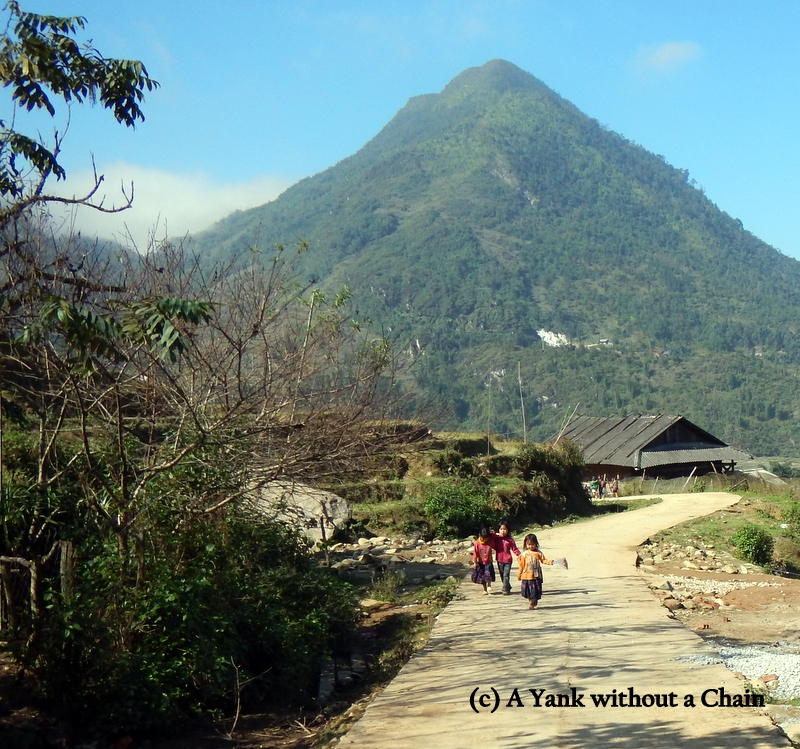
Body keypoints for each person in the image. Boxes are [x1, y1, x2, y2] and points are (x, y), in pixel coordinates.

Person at [517, 533, 554, 610]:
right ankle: (531, 600)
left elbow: (544, 561)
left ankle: (532, 603)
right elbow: (521, 565)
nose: (530, 546)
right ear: (526, 544)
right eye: (528, 544)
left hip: (536, 576)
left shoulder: (538, 553)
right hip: (526, 576)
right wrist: (519, 574)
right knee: (527, 592)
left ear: (536, 544)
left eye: (532, 544)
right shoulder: (524, 554)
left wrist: (551, 562)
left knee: (535, 591)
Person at [493, 521, 521, 595]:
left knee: (506, 575)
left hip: (508, 560)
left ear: (508, 530)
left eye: (505, 529)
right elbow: (490, 534)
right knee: (502, 575)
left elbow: (515, 549)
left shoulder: (510, 540)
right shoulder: (496, 539)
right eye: (501, 529)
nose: (503, 531)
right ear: (498, 530)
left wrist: (520, 555)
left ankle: (505, 589)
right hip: (499, 559)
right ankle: (508, 586)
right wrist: (496, 534)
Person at [471, 527, 497, 595]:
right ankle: (485, 589)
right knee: (482, 577)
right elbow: (475, 553)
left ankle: (489, 585)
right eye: (483, 538)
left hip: (488, 561)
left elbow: (495, 539)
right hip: (480, 562)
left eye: (486, 538)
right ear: (480, 536)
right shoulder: (477, 543)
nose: (485, 540)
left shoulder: (490, 541)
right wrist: (474, 563)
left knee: (488, 574)